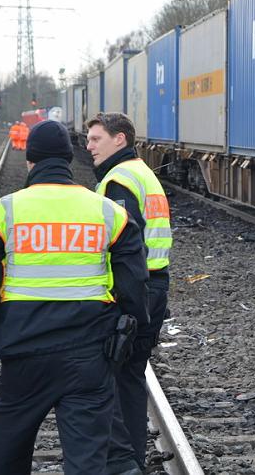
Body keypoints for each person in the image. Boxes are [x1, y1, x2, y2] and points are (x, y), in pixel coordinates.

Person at [0, 120, 150, 475]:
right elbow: (135, 288)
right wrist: (131, 344)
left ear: (30, 162)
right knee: (88, 462)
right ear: (68, 161)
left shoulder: (2, 213)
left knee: (5, 460)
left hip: (23, 359)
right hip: (89, 359)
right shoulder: (108, 213)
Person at [86, 112, 172, 470]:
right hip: (155, 283)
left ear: (119, 139)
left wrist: (124, 305)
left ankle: (124, 463)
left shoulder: (118, 181)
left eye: (95, 139)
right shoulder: (142, 173)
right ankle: (132, 458)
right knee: (131, 378)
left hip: (134, 289)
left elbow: (126, 247)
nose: (88, 145)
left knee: (118, 382)